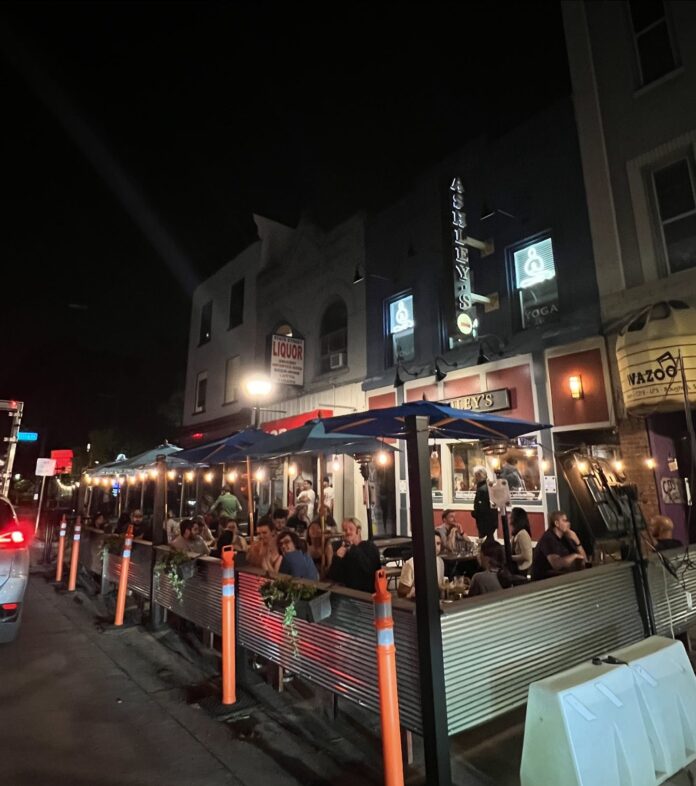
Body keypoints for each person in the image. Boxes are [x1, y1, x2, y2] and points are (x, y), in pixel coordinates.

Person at [327, 517, 381, 593]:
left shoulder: (370, 547)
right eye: (345, 530)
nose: (347, 532)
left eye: (351, 529)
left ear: (358, 531)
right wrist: (337, 558)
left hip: (367, 593)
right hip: (347, 593)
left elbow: (369, 569)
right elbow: (333, 576)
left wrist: (352, 548)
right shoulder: (343, 550)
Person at [531, 510, 587, 581]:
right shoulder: (548, 538)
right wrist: (574, 556)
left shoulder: (566, 538)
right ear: (557, 523)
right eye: (565, 521)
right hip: (543, 580)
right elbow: (556, 564)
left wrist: (577, 541)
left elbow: (585, 560)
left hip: (561, 577)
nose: (568, 523)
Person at [398, 531, 445, 599]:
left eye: (438, 544)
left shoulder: (440, 562)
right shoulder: (411, 564)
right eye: (431, 543)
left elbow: (439, 586)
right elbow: (401, 592)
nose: (435, 547)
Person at [472, 468, 498, 538]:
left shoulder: (482, 490)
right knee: (490, 539)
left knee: (485, 540)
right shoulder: (489, 487)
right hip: (492, 520)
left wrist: (474, 513)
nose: (473, 478)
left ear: (478, 476)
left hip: (484, 522)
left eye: (474, 476)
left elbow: (481, 508)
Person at [510, 507, 533, 574]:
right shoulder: (516, 534)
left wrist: (510, 557)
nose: (510, 517)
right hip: (518, 568)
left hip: (523, 569)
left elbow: (526, 556)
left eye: (512, 515)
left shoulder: (522, 534)